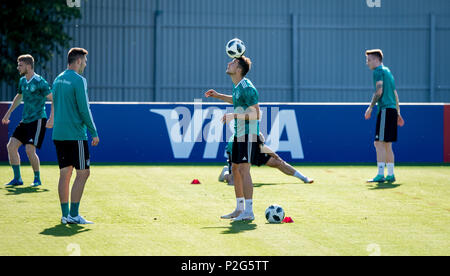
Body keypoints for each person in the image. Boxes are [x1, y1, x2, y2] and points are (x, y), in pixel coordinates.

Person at [205, 56, 259, 221]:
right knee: (234, 169)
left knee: (244, 170)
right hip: (238, 134)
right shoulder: (237, 87)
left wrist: (233, 115)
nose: (228, 63)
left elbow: (256, 113)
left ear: (239, 69)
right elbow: (235, 99)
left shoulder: (248, 87)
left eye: (233, 62)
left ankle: (249, 212)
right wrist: (218, 96)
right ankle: (239, 209)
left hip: (248, 134)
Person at [52, 47, 99, 224]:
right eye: (85, 61)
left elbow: (55, 105)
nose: (85, 64)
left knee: (65, 173)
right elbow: (84, 109)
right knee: (83, 173)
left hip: (59, 133)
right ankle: (73, 214)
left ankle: (65, 215)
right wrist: (93, 131)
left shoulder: (57, 79)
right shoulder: (79, 80)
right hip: (75, 134)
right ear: (78, 61)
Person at [2, 54, 54, 187]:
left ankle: (37, 179)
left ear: (28, 66)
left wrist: (51, 118)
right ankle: (17, 179)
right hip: (25, 121)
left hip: (37, 121)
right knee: (11, 146)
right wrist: (8, 114)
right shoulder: (22, 81)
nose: (18, 67)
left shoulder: (40, 82)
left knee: (30, 150)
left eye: (20, 65)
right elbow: (19, 97)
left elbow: (54, 99)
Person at [364, 49, 404, 183]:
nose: (367, 63)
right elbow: (395, 94)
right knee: (387, 145)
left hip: (385, 109)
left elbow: (379, 91)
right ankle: (391, 175)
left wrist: (370, 107)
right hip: (392, 110)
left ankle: (381, 174)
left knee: (378, 143)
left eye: (369, 60)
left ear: (376, 60)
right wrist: (398, 112)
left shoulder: (378, 71)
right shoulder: (388, 72)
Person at [219, 133, 314, 185]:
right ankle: (225, 173)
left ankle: (303, 178)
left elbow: (262, 147)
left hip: (252, 150)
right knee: (233, 182)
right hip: (236, 151)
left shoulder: (255, 133)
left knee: (278, 162)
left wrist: (276, 156)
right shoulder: (238, 138)